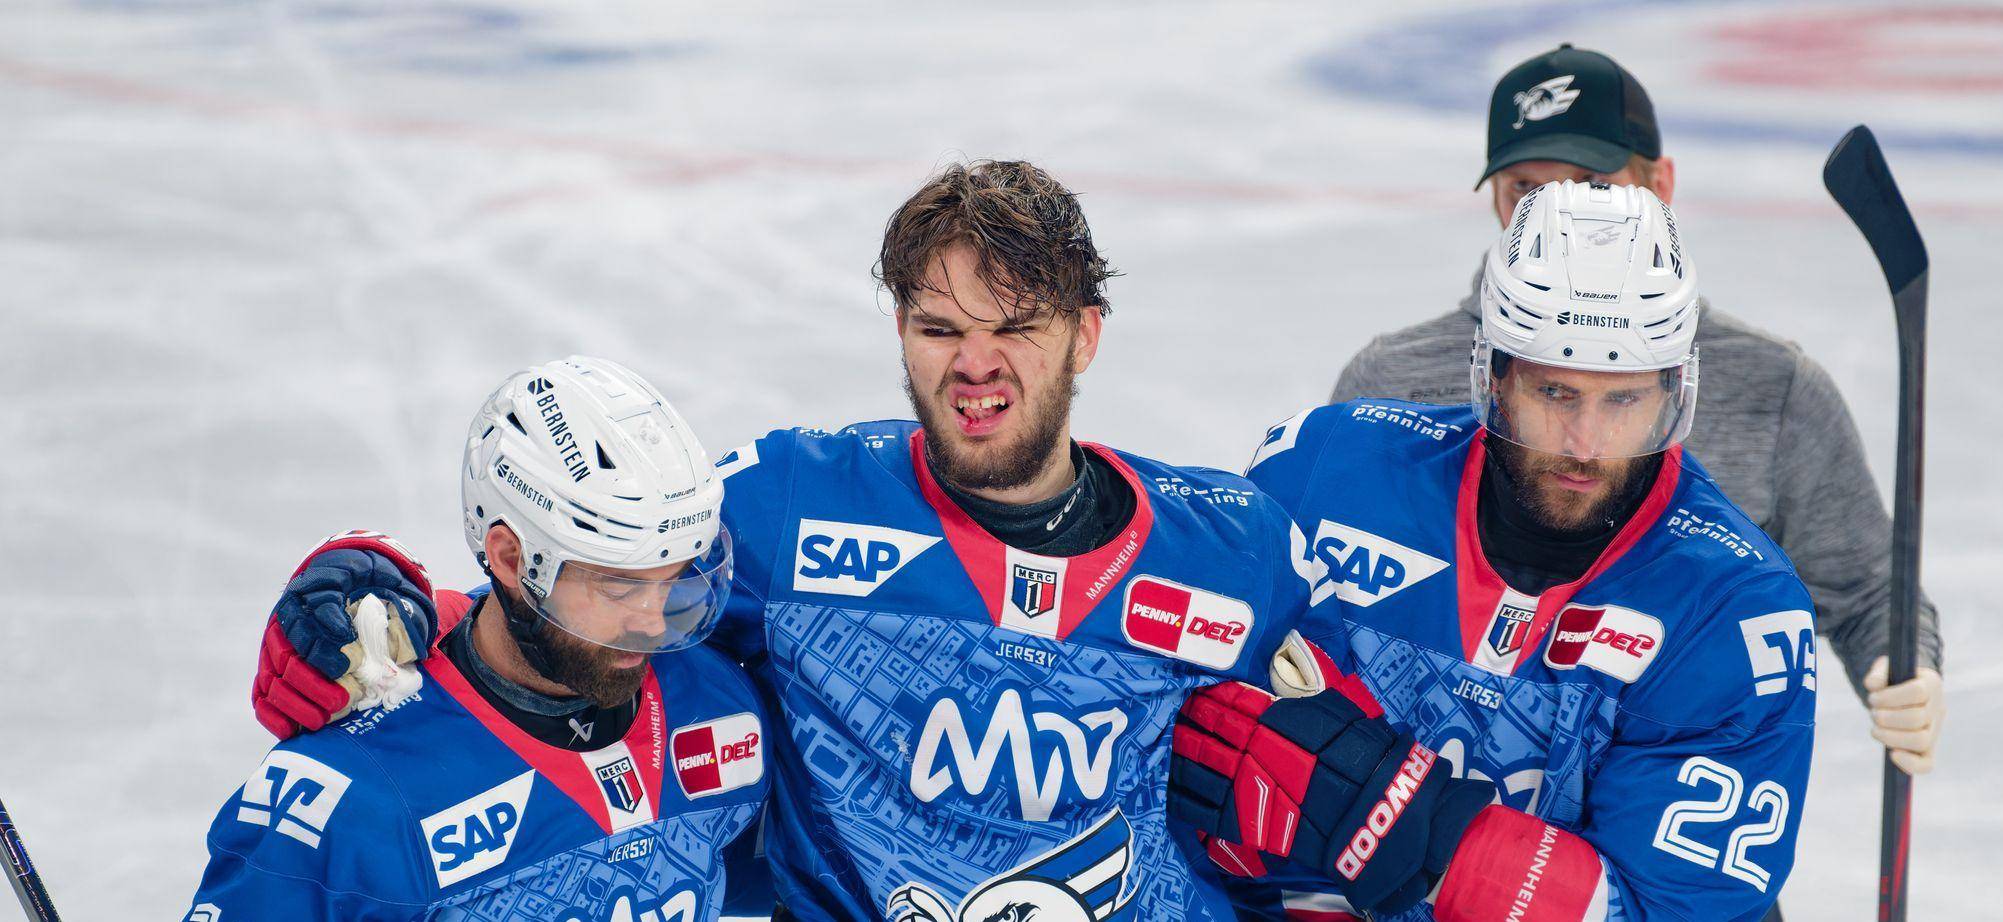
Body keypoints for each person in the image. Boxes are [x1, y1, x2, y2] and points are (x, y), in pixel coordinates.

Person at [239, 160, 1330, 920]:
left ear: (1084, 335)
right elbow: (592, 571)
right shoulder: (785, 504)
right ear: (899, 332)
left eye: (1016, 329)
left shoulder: (1232, 548)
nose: (974, 364)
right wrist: (379, 608)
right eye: (938, 328)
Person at [1173, 181, 1816, 921]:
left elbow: (1662, 910)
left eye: (1624, 400)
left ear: (1675, 392)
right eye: (1556, 393)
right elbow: (1182, 731)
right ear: (1495, 375)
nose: (1586, 444)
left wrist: (1409, 820)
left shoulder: (1731, 608)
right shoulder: (1324, 469)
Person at [1330, 43, 1943, 775]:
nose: (1562, 212)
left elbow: (1867, 586)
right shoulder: (1394, 380)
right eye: (1527, 187)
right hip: (1419, 827)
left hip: (1670, 812)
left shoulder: (1770, 387)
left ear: (1663, 183)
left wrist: (1904, 663)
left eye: (1593, 182)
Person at [188, 356, 770, 920]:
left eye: (671, 583)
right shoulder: (353, 797)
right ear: (512, 559)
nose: (651, 621)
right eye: (618, 588)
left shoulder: (718, 702)